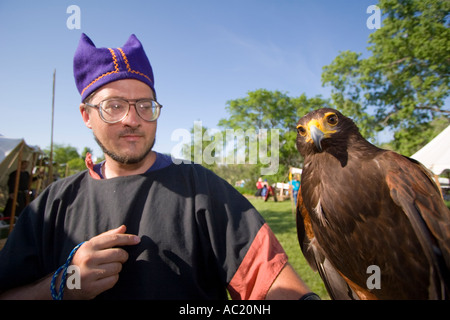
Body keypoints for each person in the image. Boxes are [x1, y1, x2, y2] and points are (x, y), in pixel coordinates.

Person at [0, 34, 319, 300]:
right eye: (114, 106)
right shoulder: (51, 205)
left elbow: (271, 280)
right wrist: (62, 285)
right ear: (86, 115)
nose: (132, 118)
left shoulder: (201, 188)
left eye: (144, 105)